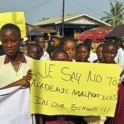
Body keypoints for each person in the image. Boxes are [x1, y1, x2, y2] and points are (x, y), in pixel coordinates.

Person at [0, 23, 35, 123]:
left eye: (13, 41)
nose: (9, 45)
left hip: (27, 119)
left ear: (21, 41)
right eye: (4, 41)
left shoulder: (33, 64)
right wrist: (18, 83)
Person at [84, 40, 118, 124]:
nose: (108, 55)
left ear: (116, 54)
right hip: (94, 110)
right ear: (102, 52)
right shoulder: (95, 68)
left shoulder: (119, 71)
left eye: (112, 53)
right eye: (106, 52)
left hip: (111, 111)